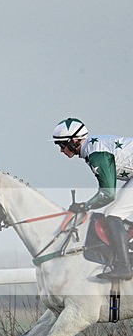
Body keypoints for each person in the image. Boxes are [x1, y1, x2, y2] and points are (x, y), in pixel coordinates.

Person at [52, 117, 133, 280]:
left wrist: (84, 206)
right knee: (115, 211)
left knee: (114, 213)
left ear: (74, 141)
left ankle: (124, 266)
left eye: (62, 145)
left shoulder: (96, 154)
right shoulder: (93, 148)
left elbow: (108, 194)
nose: (61, 150)